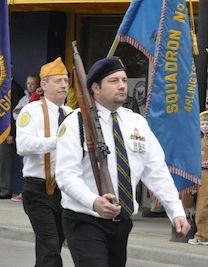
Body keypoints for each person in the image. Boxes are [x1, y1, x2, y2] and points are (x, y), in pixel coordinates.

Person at [55, 56, 189, 266]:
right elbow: (65, 175)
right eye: (114, 81)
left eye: (124, 80)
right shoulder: (76, 123)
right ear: (95, 88)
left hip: (122, 221)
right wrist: (93, 201)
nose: (122, 86)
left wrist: (176, 211)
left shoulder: (136, 123)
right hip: (85, 218)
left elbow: (156, 172)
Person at [16, 57, 71, 267]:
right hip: (38, 189)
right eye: (58, 81)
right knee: (50, 247)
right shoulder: (31, 111)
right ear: (44, 85)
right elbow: (23, 145)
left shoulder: (71, 114)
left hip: (64, 190)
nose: (64, 85)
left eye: (66, 80)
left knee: (52, 246)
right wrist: (57, 141)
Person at [188, 111, 208, 245]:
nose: (205, 126)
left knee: (203, 207)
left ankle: (202, 236)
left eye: (207, 123)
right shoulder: (199, 140)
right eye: (202, 123)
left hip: (206, 175)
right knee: (191, 201)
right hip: (198, 174)